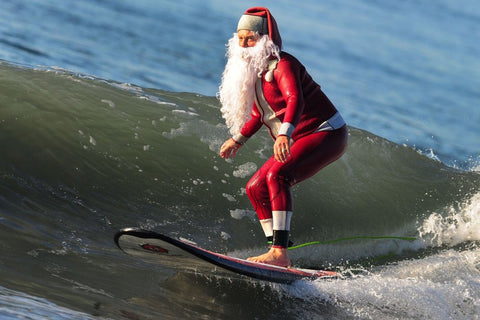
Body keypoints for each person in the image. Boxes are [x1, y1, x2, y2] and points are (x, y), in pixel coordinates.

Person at [218, 7, 348, 267]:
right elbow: (259, 115)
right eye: (240, 38)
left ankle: (279, 253)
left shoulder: (283, 64)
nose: (243, 45)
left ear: (265, 39)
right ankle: (277, 249)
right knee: (255, 187)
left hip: (326, 132)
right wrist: (238, 139)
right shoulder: (255, 73)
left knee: (277, 176)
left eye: (250, 39)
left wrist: (285, 134)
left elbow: (294, 100)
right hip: (300, 136)